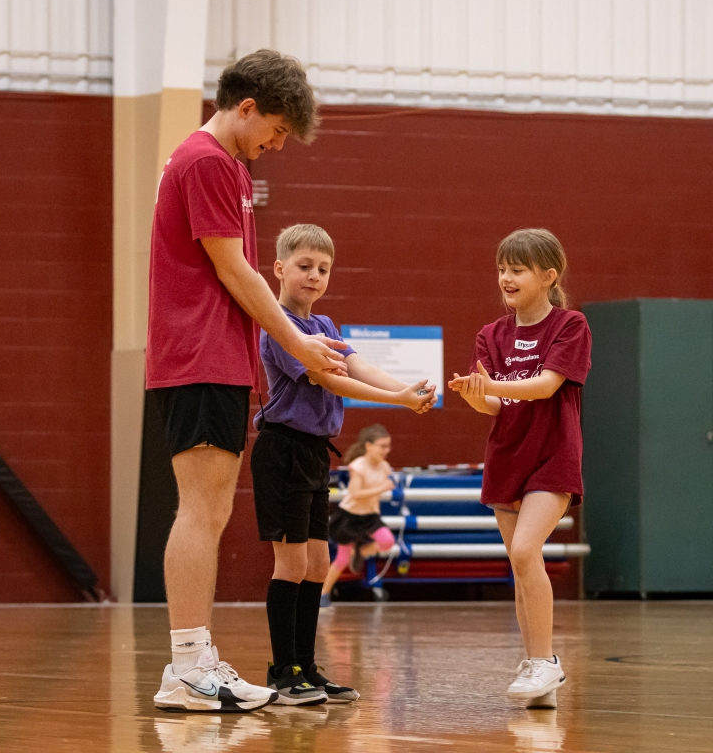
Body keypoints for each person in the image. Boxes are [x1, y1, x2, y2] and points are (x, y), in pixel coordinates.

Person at [147, 51, 352, 713]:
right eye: (277, 129)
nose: (278, 144)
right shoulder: (207, 161)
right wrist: (298, 341)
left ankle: (189, 662)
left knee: (211, 510)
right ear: (246, 108)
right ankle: (188, 663)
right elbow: (236, 272)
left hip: (214, 359)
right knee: (201, 511)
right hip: (198, 356)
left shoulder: (226, 166)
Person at [250, 224, 436, 706]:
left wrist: (408, 389)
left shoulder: (326, 326)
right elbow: (332, 381)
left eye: (323, 269)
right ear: (279, 268)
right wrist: (395, 400)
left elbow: (357, 367)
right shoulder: (279, 328)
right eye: (305, 266)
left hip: (314, 452)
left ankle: (307, 667)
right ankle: (282, 671)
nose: (314, 276)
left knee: (315, 563)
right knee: (290, 563)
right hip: (283, 448)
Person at [449, 228, 591, 710]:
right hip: (507, 457)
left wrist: (495, 385)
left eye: (517, 269)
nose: (506, 278)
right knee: (519, 563)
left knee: (527, 550)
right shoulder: (491, 334)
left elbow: (548, 385)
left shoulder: (571, 325)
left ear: (549, 276)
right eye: (502, 269)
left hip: (552, 457)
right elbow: (494, 403)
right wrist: (476, 395)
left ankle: (546, 663)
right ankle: (538, 667)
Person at [321, 424, 399, 607]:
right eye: (382, 446)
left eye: (388, 446)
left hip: (370, 516)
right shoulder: (358, 466)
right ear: (369, 446)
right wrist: (382, 487)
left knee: (387, 541)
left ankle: (359, 552)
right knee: (341, 560)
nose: (386, 450)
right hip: (350, 516)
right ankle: (323, 593)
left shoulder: (385, 467)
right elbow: (355, 494)